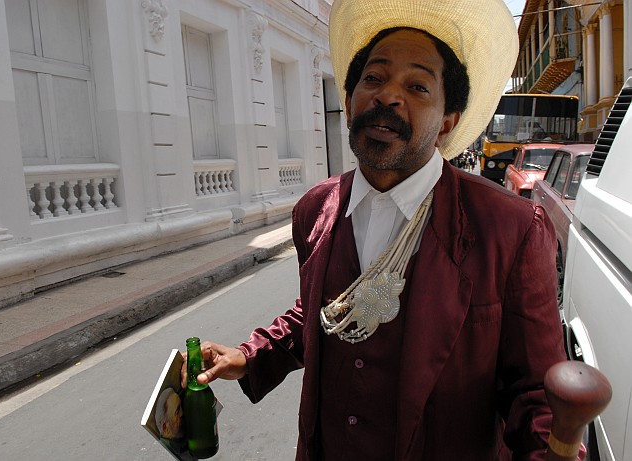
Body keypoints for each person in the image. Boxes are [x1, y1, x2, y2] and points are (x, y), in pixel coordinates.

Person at [181, 0, 575, 459]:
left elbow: (536, 393)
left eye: (417, 86)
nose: (388, 96)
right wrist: (251, 354)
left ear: (447, 122)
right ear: (349, 104)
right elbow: (322, 312)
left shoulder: (509, 228)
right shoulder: (316, 209)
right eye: (373, 78)